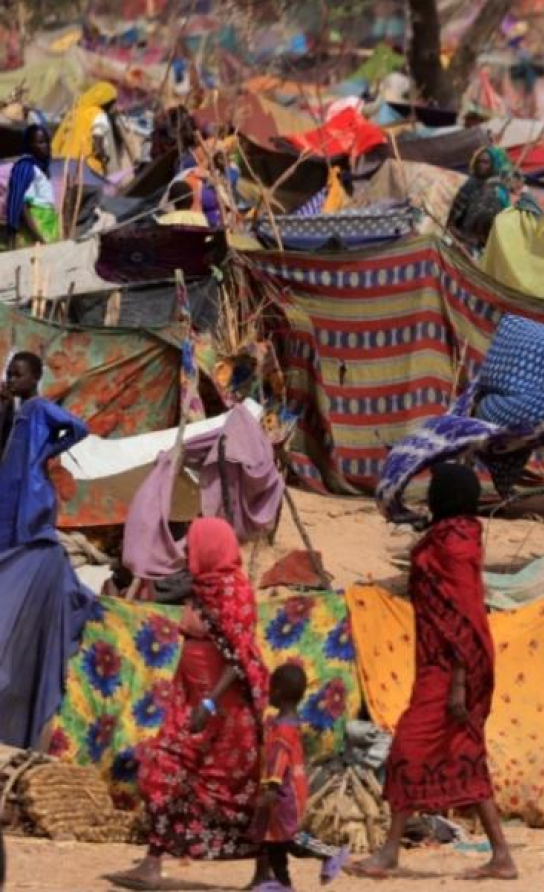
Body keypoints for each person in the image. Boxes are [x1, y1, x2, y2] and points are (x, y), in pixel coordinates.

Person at [348, 463, 516, 881]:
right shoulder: (451, 536)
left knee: (408, 747)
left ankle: (389, 852)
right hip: (436, 660)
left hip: (453, 665)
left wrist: (459, 680)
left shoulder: (455, 545)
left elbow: (463, 613)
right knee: (464, 750)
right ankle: (501, 856)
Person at [109, 517, 269, 891]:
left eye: (193, 544)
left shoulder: (233, 591)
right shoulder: (202, 586)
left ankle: (265, 868)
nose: (186, 551)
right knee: (163, 770)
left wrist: (210, 704)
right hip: (192, 704)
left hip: (225, 714)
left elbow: (239, 656)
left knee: (233, 792)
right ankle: (152, 863)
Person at [248, 664, 348, 891]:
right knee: (272, 841)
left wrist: (270, 790)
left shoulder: (283, 730)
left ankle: (330, 852)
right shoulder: (290, 724)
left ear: (280, 692)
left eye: (271, 688)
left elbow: (278, 761)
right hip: (289, 790)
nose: (268, 692)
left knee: (290, 839)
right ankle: (284, 884)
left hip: (284, 794)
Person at [0, 353, 89, 552]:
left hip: (28, 485)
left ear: (35, 378)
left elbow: (79, 428)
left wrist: (49, 450)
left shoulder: (40, 406)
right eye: (9, 374)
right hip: (9, 484)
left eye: (17, 375)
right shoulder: (20, 409)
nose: (11, 380)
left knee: (25, 542)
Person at [447, 146, 516, 251]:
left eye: (485, 162)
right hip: (462, 241)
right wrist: (458, 233)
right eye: (479, 161)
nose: (481, 165)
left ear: (493, 164)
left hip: (484, 245)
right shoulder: (470, 184)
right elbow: (453, 218)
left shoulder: (499, 189)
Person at [4, 124, 59, 249]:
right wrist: (39, 238)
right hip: (35, 231)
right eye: (40, 142)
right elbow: (23, 207)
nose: (46, 146)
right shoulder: (26, 168)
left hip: (47, 226)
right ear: (29, 145)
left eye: (47, 142)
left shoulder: (42, 169)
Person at [51, 81, 121, 177]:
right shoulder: (98, 114)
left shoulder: (74, 112)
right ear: (106, 102)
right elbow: (97, 147)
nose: (112, 107)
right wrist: (104, 158)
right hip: (85, 169)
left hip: (64, 166)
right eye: (112, 103)